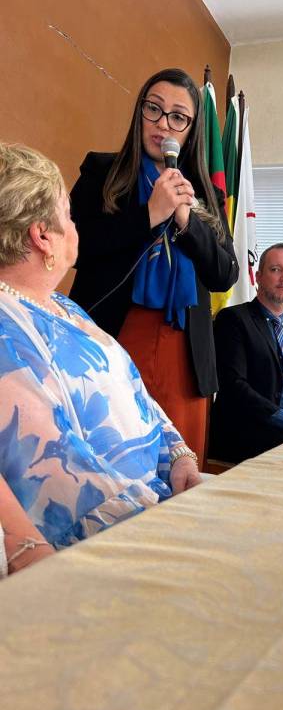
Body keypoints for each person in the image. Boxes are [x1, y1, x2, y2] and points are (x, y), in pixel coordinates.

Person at [0, 142, 200, 559]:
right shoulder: (6, 329)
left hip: (162, 498)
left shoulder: (64, 305)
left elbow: (135, 392)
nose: (76, 226)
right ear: (42, 236)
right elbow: (59, 473)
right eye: (69, 215)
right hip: (121, 537)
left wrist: (179, 455)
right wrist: (172, 522)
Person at [69, 68, 238, 470]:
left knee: (180, 476)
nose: (163, 124)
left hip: (185, 353)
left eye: (178, 117)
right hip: (113, 335)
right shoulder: (102, 172)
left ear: (191, 131)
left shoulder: (207, 193)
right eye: (154, 109)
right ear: (139, 112)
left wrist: (187, 222)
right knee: (113, 469)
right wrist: (149, 215)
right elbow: (73, 247)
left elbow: (225, 274)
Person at [209, 243, 283, 463]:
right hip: (250, 442)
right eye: (275, 270)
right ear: (258, 277)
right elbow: (234, 386)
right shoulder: (233, 320)